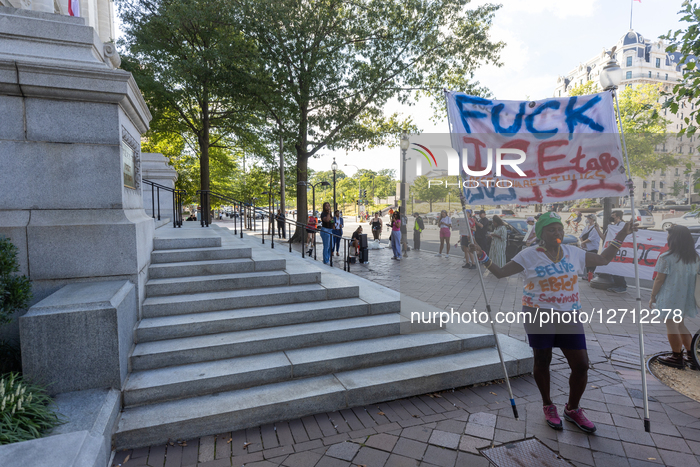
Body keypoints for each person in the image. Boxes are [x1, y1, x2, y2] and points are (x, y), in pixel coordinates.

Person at [469, 212, 638, 433]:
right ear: (541, 234)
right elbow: (500, 273)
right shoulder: (528, 254)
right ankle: (548, 405)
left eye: (559, 228)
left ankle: (573, 408)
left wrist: (623, 234)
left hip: (569, 315)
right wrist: (481, 255)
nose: (557, 232)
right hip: (538, 314)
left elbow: (604, 259)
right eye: (551, 229)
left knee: (581, 365)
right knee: (543, 360)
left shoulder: (573, 252)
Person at [649, 225, 700, 370]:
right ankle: (691, 356)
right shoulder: (695, 258)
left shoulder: (666, 257)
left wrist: (652, 296)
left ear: (674, 239)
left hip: (670, 296)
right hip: (686, 297)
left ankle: (676, 357)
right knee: (681, 325)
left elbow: (659, 279)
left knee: (671, 325)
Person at [607, 210, 628, 293]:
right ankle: (617, 284)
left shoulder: (622, 225)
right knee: (613, 267)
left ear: (618, 217)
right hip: (614, 248)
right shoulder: (613, 226)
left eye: (613, 215)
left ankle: (622, 285)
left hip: (620, 249)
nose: (612, 217)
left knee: (618, 267)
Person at [579, 214, 602, 281]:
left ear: (592, 219)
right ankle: (587, 275)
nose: (587, 220)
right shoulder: (586, 227)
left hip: (593, 247)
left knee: (592, 262)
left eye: (588, 218)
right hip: (585, 247)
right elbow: (581, 236)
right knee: (586, 261)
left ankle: (591, 275)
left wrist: (583, 242)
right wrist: (582, 242)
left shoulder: (595, 228)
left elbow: (592, 238)